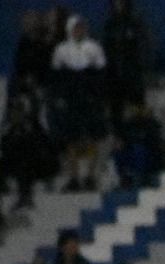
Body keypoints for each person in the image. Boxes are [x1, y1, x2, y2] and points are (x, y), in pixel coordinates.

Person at [50, 15, 107, 191]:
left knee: (93, 137)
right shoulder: (61, 50)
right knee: (71, 139)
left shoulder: (94, 47)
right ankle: (74, 177)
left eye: (82, 27)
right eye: (76, 28)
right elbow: (57, 76)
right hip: (71, 98)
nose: (79, 31)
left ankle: (90, 176)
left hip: (90, 97)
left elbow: (101, 73)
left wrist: (97, 95)